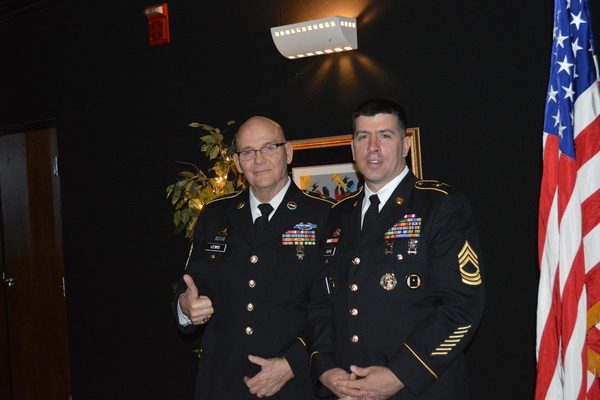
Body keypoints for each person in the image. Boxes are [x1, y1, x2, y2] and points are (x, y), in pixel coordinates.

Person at [314, 99, 485, 399]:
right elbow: (320, 303)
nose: (373, 147)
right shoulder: (337, 215)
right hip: (347, 390)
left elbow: (462, 306)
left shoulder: (440, 205)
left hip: (420, 389)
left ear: (405, 145)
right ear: (353, 148)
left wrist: (400, 374)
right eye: (363, 137)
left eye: (385, 135)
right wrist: (326, 369)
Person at [174, 116, 335, 400]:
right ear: (237, 163)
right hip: (223, 382)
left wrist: (292, 364)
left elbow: (336, 307)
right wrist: (186, 307)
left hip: (294, 384)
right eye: (248, 152)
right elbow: (193, 283)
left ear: (288, 152)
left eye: (269, 148)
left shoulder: (326, 215)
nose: (258, 160)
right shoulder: (215, 215)